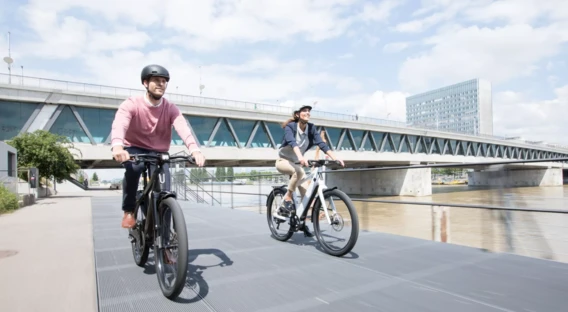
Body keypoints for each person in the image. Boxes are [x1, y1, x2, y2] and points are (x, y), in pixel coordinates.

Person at [110, 64, 206, 228]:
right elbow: (120, 123)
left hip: (159, 151)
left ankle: (166, 236)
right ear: (145, 83)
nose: (161, 84)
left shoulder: (170, 108)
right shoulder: (132, 104)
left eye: (164, 81)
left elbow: (183, 128)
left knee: (164, 190)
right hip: (135, 147)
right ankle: (129, 211)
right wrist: (118, 146)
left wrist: (195, 150)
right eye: (156, 80)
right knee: (134, 168)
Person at [275, 105, 344, 237]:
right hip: (283, 161)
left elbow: (322, 144)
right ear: (297, 115)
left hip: (296, 164)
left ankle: (301, 223)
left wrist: (335, 158)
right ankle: (288, 197)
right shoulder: (291, 127)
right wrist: (301, 157)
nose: (308, 113)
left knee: (306, 196)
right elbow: (292, 142)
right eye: (304, 111)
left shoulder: (311, 128)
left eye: (309, 111)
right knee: (299, 172)